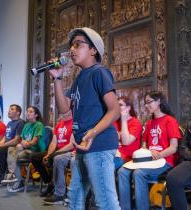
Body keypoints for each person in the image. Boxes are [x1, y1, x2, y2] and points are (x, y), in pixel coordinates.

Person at [49, 27, 121, 209]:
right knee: (75, 196)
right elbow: (64, 108)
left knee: (105, 201)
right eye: (71, 46)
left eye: (78, 44)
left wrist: (93, 132)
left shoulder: (99, 72)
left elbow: (115, 111)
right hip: (82, 145)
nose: (72, 49)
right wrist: (57, 79)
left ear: (93, 50)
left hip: (99, 144)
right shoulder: (81, 76)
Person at [118, 91, 181, 210]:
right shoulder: (149, 123)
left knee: (139, 173)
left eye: (148, 102)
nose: (146, 106)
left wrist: (159, 154)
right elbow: (144, 144)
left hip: (164, 161)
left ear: (159, 101)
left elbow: (174, 147)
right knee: (122, 171)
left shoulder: (170, 120)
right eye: (145, 103)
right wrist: (146, 150)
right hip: (147, 160)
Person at [7, 105, 46, 192]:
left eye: (31, 112)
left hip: (36, 150)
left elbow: (34, 142)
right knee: (11, 150)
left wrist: (24, 144)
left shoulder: (39, 125)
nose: (28, 113)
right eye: (27, 111)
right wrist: (21, 144)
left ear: (36, 115)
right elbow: (22, 139)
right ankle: (14, 175)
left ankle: (18, 179)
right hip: (26, 148)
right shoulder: (26, 125)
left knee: (15, 155)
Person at [42, 111, 75, 204]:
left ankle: (58, 191)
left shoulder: (74, 123)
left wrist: (55, 153)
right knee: (42, 157)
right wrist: (49, 154)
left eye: (64, 111)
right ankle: (55, 188)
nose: (61, 114)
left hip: (70, 151)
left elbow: (72, 144)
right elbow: (53, 142)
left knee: (56, 158)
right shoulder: (59, 124)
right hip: (59, 150)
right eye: (60, 112)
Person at [0, 104, 24, 185]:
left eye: (12, 109)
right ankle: (0, 174)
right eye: (9, 109)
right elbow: (5, 138)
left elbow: (16, 140)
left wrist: (0, 146)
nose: (9, 111)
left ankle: (6, 175)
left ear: (18, 113)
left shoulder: (20, 122)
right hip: (7, 145)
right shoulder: (9, 123)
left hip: (14, 146)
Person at [113, 96, 142, 170]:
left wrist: (124, 119)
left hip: (127, 158)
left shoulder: (135, 123)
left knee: (106, 167)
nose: (117, 107)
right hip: (114, 155)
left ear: (128, 108)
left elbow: (126, 142)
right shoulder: (114, 122)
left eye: (120, 105)